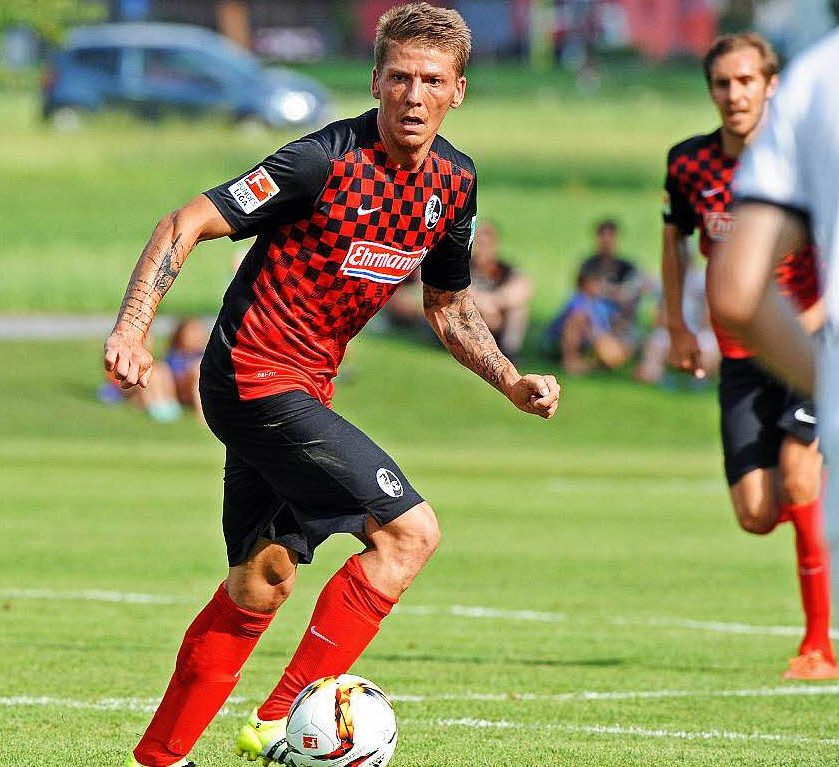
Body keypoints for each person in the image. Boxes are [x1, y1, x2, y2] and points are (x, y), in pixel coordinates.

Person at [103, 6, 561, 767]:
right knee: (410, 533)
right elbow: (184, 221)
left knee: (263, 580)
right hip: (253, 377)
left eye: (433, 81)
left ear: (459, 91)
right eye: (401, 78)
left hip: (307, 391)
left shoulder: (454, 182)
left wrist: (511, 381)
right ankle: (282, 719)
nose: (414, 95)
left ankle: (157, 757)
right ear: (374, 80)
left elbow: (448, 306)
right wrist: (133, 327)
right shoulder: (320, 162)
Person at [662, 33, 836, 679]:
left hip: (810, 343)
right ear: (711, 90)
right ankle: (823, 507)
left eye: (746, 81)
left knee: (800, 477)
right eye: (722, 83)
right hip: (740, 356)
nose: (735, 94)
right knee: (758, 513)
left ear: (772, 85)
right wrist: (677, 325)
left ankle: (820, 645)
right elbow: (675, 242)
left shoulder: (803, 162)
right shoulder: (688, 164)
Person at [548, 219, 645, 373]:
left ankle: (588, 361)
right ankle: (572, 359)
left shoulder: (626, 267)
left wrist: (605, 291)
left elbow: (631, 295)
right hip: (589, 313)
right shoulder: (589, 264)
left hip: (613, 319)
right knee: (579, 314)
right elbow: (582, 291)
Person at [98, 318, 207, 422]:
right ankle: (160, 404)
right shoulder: (174, 356)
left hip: (184, 389)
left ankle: (167, 405)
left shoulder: (202, 354)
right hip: (176, 387)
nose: (195, 337)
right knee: (156, 371)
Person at [469, 220, 533, 359]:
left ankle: (510, 352)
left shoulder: (504, 268)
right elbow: (459, 291)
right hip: (470, 317)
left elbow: (524, 288)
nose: (482, 250)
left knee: (519, 309)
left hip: (496, 317)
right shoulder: (464, 266)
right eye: (479, 244)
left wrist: (493, 302)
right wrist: (482, 305)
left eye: (487, 245)